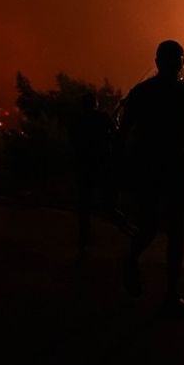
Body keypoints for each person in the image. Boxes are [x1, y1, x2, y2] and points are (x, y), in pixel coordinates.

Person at [117, 40, 184, 315]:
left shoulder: (143, 91)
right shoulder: (183, 92)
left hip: (151, 165)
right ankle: (169, 294)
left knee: (158, 227)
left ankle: (143, 270)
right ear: (178, 63)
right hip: (169, 164)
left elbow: (123, 133)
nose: (178, 65)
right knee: (173, 231)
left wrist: (121, 170)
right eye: (177, 60)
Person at [68, 92, 114, 254]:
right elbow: (114, 134)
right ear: (95, 104)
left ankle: (84, 235)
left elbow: (73, 141)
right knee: (107, 198)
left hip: (83, 165)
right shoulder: (103, 117)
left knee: (84, 201)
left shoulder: (77, 120)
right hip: (100, 164)